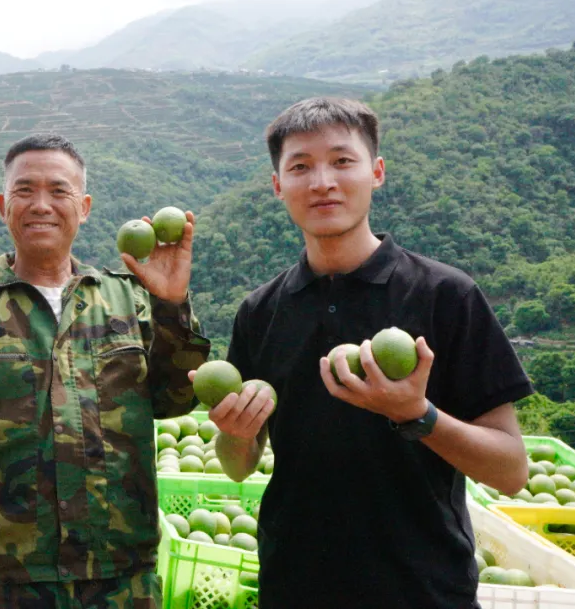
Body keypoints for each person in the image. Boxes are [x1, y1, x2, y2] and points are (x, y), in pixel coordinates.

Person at [203, 97, 533, 609]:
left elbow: (510, 471)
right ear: (277, 186)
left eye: (341, 161)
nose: (322, 182)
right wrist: (235, 435)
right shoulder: (260, 311)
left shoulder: (447, 297)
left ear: (376, 172)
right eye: (300, 167)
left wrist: (417, 415)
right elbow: (238, 466)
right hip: (293, 583)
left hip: (423, 588)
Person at [0, 133, 211, 608]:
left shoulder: (127, 298)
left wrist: (173, 304)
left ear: (85, 205)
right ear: (2, 205)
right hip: (2, 582)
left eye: (59, 191)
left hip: (120, 580)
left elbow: (175, 399)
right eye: (24, 190)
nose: (41, 205)